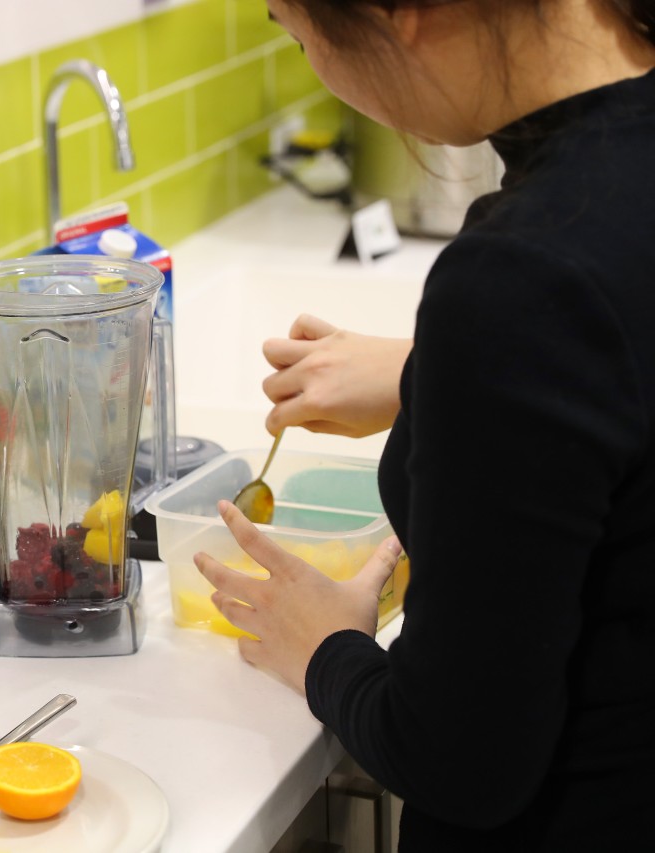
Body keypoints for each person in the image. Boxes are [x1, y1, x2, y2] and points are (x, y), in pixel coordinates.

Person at [193, 1, 655, 849]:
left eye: (301, 37)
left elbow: (462, 758)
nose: (318, 67)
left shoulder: (524, 280)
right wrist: (428, 375)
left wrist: (324, 645)